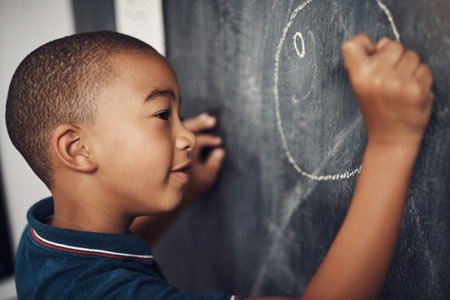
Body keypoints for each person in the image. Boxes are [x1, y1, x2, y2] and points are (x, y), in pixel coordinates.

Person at [6, 31, 433, 300]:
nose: (186, 135)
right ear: (77, 149)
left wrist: (183, 189)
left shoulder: (43, 241)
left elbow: (112, 238)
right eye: (161, 115)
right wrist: (392, 141)